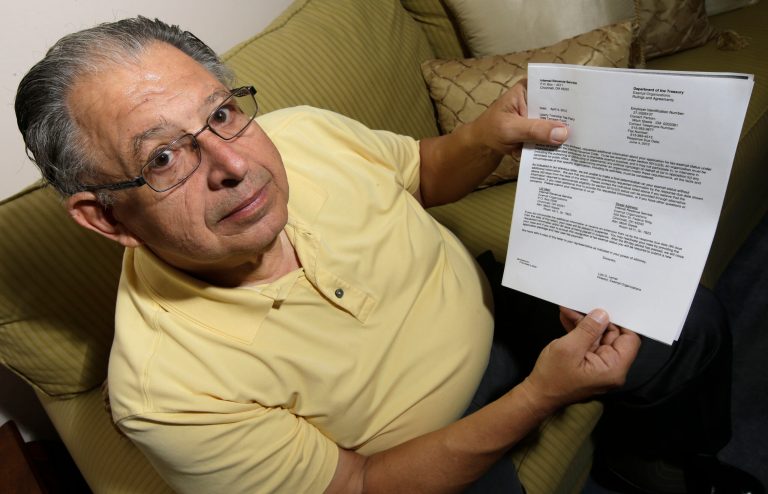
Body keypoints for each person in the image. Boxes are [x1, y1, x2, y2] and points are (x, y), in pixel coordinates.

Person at [14, 17, 761, 494]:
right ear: (105, 217)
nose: (236, 165)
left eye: (222, 113)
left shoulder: (302, 133)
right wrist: (541, 394)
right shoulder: (168, 394)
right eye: (164, 157)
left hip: (493, 306)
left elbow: (422, 173)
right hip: (418, 452)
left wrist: (483, 137)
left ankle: (667, 465)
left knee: (686, 319)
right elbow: (360, 485)